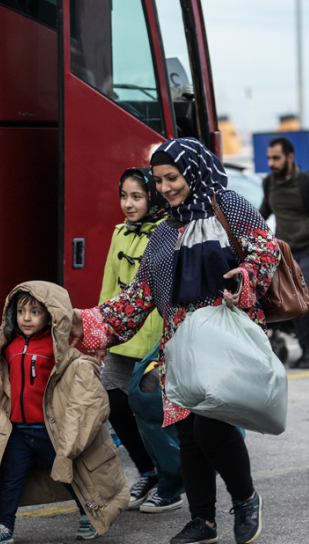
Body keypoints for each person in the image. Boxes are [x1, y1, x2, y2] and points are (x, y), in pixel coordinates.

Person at [71, 137, 280, 544]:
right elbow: (139, 296)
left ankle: (245, 498)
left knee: (210, 424)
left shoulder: (228, 205)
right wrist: (87, 321)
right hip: (180, 345)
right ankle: (202, 520)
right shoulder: (163, 234)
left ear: (195, 172)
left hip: (227, 337)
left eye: (174, 177)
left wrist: (246, 275)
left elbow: (265, 247)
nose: (166, 187)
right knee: (186, 431)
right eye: (160, 180)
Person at [0, 282, 129, 544]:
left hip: (48, 431)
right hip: (18, 431)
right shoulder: (5, 349)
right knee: (11, 478)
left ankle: (87, 514)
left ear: (52, 316)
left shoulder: (59, 352)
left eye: (35, 312)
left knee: (70, 475)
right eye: (20, 311)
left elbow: (78, 384)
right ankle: (5, 526)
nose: (26, 318)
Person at [97, 167, 183, 513]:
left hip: (154, 338)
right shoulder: (120, 233)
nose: (128, 204)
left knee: (157, 414)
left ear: (153, 197)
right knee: (114, 403)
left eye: (136, 196)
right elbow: (109, 286)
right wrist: (101, 331)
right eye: (123, 196)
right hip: (121, 338)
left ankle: (171, 482)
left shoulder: (168, 232)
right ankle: (148, 471)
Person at [259, 136, 309, 368]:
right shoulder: (269, 183)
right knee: (280, 295)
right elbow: (264, 212)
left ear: (290, 157)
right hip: (286, 251)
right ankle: (293, 339)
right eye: (269, 158)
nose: (271, 163)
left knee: (302, 295)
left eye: (276, 158)